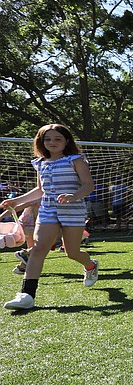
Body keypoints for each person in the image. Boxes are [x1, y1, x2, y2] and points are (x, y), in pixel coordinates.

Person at [2, 124, 99, 310]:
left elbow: (88, 185)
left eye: (57, 139)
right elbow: (40, 190)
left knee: (72, 252)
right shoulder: (40, 163)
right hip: (48, 210)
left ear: (66, 141)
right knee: (38, 249)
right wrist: (17, 202)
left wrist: (73, 196)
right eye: (48, 139)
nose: (52, 143)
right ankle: (27, 295)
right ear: (41, 142)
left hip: (73, 211)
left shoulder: (76, 160)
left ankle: (90, 266)